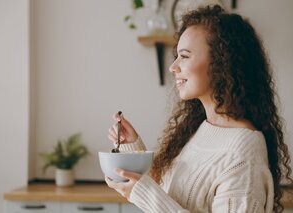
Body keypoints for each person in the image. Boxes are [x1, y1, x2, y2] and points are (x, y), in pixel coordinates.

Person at [106, 5, 292, 213]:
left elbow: (161, 204)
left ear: (222, 62)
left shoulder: (243, 153)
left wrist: (146, 194)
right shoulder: (203, 129)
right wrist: (132, 148)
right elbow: (171, 198)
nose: (173, 66)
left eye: (184, 56)